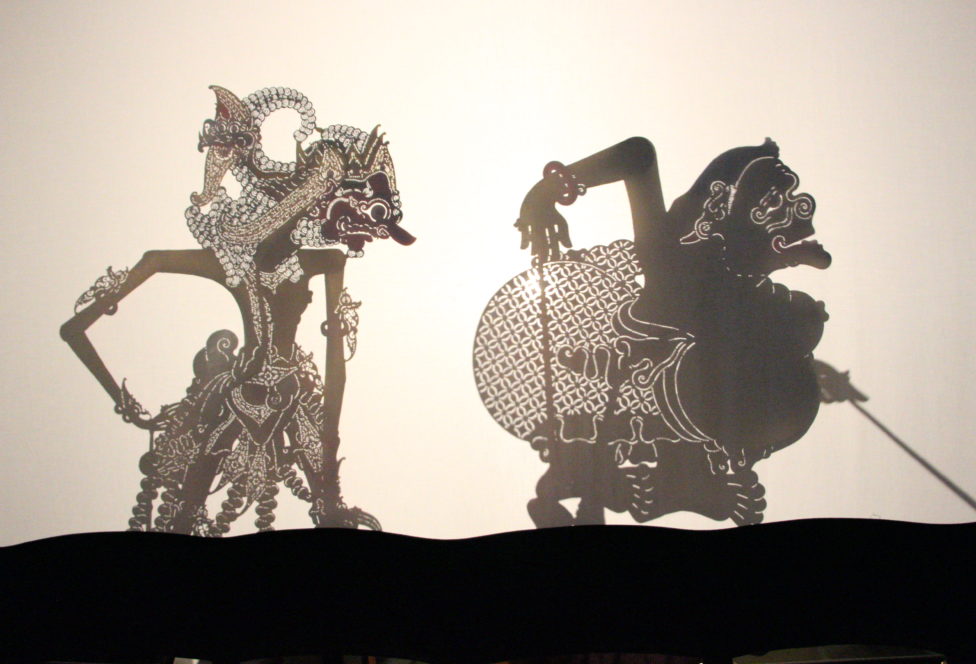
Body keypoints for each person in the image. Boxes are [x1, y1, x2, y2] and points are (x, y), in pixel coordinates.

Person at [61, 86, 413, 535]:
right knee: (184, 517)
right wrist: (125, 402)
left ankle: (324, 503)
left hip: (293, 395)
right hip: (237, 396)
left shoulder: (326, 261)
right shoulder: (234, 260)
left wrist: (328, 469)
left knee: (315, 511)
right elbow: (74, 329)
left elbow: (336, 370)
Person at [478, 137, 829, 526]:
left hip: (743, 412)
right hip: (722, 409)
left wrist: (544, 194)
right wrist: (546, 192)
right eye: (773, 213)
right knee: (661, 404)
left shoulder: (729, 286)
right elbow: (638, 157)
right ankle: (654, 482)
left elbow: (639, 158)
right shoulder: (674, 262)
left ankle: (666, 481)